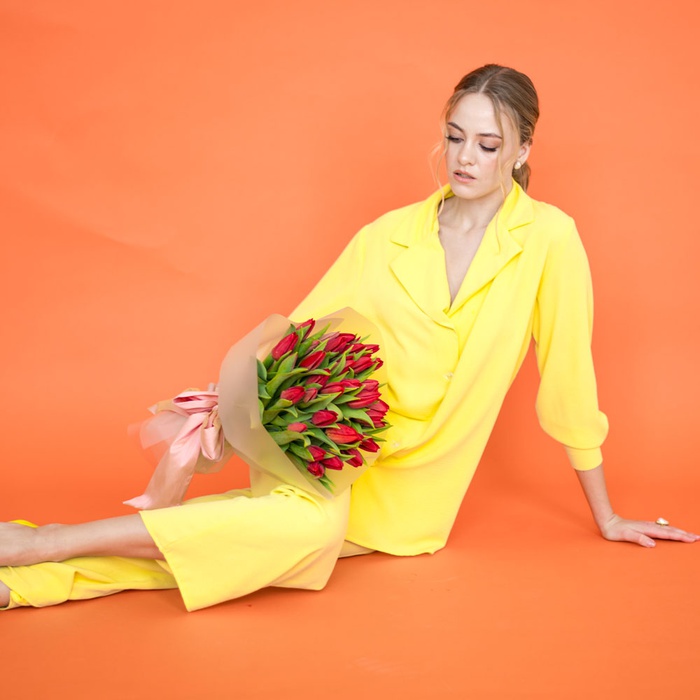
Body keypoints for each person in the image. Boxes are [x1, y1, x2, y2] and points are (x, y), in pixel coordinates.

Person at [1, 64, 696, 612]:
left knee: (262, 544)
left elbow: (568, 377)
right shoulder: (385, 235)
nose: (465, 158)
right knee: (286, 535)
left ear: (522, 152)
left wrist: (607, 516)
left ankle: (33, 562)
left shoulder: (549, 239)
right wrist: (223, 409)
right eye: (455, 137)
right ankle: (37, 554)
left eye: (488, 145)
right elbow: (297, 338)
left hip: (413, 498)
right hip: (329, 447)